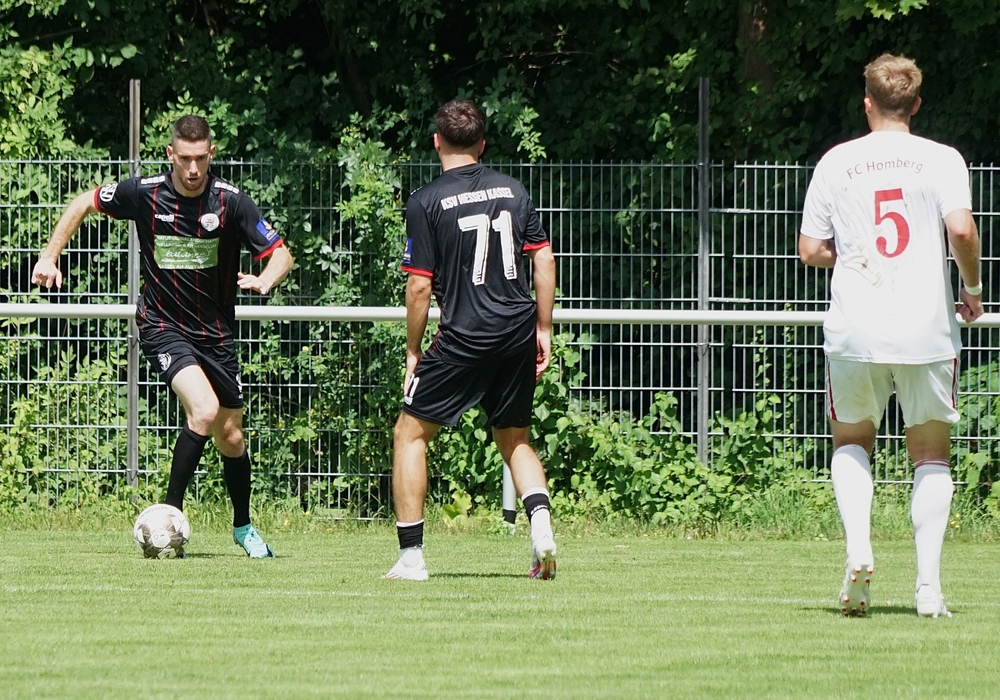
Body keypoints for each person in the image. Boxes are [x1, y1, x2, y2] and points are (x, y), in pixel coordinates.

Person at [32, 115, 294, 558]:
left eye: (201, 159)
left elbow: (281, 253)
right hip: (161, 325)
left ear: (211, 154)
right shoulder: (145, 193)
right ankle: (169, 520)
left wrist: (266, 279)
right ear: (171, 154)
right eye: (184, 158)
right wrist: (48, 256)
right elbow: (83, 203)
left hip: (215, 334)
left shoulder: (231, 202)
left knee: (231, 436)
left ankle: (242, 527)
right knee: (204, 409)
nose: (193, 169)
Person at [799, 54, 983, 617]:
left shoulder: (837, 161)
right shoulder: (942, 158)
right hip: (927, 329)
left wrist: (852, 256)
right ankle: (928, 590)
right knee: (930, 454)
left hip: (856, 327)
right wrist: (973, 288)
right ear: (916, 105)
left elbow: (810, 250)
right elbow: (961, 229)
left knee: (851, 442)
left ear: (867, 103)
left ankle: (859, 549)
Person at [384, 99, 558, 581]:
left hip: (465, 335)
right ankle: (541, 529)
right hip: (517, 330)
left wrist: (413, 351)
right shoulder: (514, 190)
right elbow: (543, 259)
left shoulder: (425, 201)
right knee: (515, 438)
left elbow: (419, 286)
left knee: (409, 434)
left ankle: (411, 558)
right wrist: (543, 327)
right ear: (482, 144)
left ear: (436, 141)